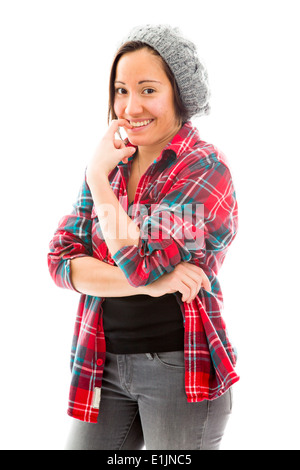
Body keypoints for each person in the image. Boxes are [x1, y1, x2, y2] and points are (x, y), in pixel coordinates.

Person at [47, 24, 239, 450]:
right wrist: (157, 284)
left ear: (178, 95)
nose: (130, 107)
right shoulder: (114, 166)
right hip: (102, 362)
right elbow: (60, 261)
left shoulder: (204, 169)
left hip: (179, 369)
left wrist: (96, 178)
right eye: (120, 90)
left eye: (148, 90)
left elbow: (140, 262)